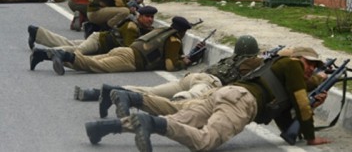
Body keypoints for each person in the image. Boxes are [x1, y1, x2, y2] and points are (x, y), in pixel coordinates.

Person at [84, 46, 331, 150]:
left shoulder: (280, 71)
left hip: (227, 93)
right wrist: (310, 137)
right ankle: (151, 123)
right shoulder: (291, 65)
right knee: (204, 142)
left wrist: (299, 127)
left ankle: (103, 128)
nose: (311, 68)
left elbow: (284, 118)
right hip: (241, 101)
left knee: (179, 118)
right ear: (299, 58)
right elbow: (300, 100)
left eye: (316, 66)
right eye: (310, 63)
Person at [73, 35, 263, 107]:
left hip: (192, 77)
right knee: (185, 99)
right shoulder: (254, 62)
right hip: (208, 83)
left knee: (150, 91)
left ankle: (102, 92)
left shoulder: (228, 58)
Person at [29, 16, 199, 76]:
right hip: (131, 60)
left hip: (124, 50)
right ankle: (62, 55)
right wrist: (184, 63)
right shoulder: (175, 39)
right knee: (94, 65)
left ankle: (43, 54)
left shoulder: (162, 30)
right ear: (183, 32)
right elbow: (170, 66)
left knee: (88, 59)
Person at [29, 5, 158, 63]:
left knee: (69, 44)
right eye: (147, 16)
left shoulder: (142, 26)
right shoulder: (132, 27)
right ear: (140, 16)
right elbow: (131, 49)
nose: (150, 19)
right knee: (77, 52)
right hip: (98, 42)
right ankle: (43, 53)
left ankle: (38, 33)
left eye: (152, 17)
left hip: (100, 41)